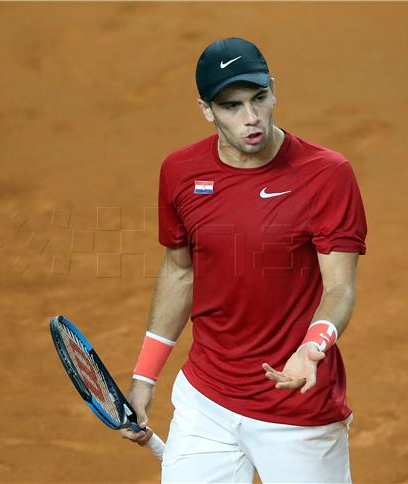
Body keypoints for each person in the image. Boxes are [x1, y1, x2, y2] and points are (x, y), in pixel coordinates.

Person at [119, 37, 368, 483]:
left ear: (273, 89)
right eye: (232, 106)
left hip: (296, 410)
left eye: (259, 99)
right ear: (207, 110)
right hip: (207, 401)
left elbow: (339, 286)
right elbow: (180, 272)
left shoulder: (326, 175)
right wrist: (144, 379)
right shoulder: (180, 172)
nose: (251, 118)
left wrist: (312, 349)